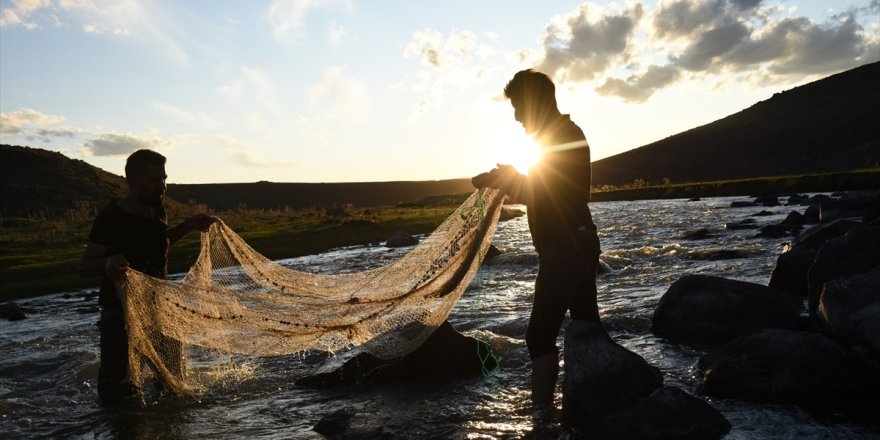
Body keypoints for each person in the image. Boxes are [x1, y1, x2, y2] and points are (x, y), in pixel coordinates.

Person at [472, 69, 601, 405]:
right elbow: (546, 191)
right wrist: (509, 178)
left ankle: (541, 420)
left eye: (518, 107)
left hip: (566, 248)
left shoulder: (562, 136)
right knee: (586, 328)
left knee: (539, 337)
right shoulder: (557, 135)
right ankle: (591, 407)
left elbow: (564, 194)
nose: (516, 117)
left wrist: (510, 178)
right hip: (577, 243)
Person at [78, 149, 217, 405]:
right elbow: (86, 265)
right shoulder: (111, 218)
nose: (162, 186)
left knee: (174, 389)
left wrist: (188, 226)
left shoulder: (158, 210)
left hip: (159, 309)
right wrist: (107, 263)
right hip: (120, 316)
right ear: (133, 181)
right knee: (121, 395)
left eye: (164, 179)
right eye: (155, 181)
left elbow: (160, 244)